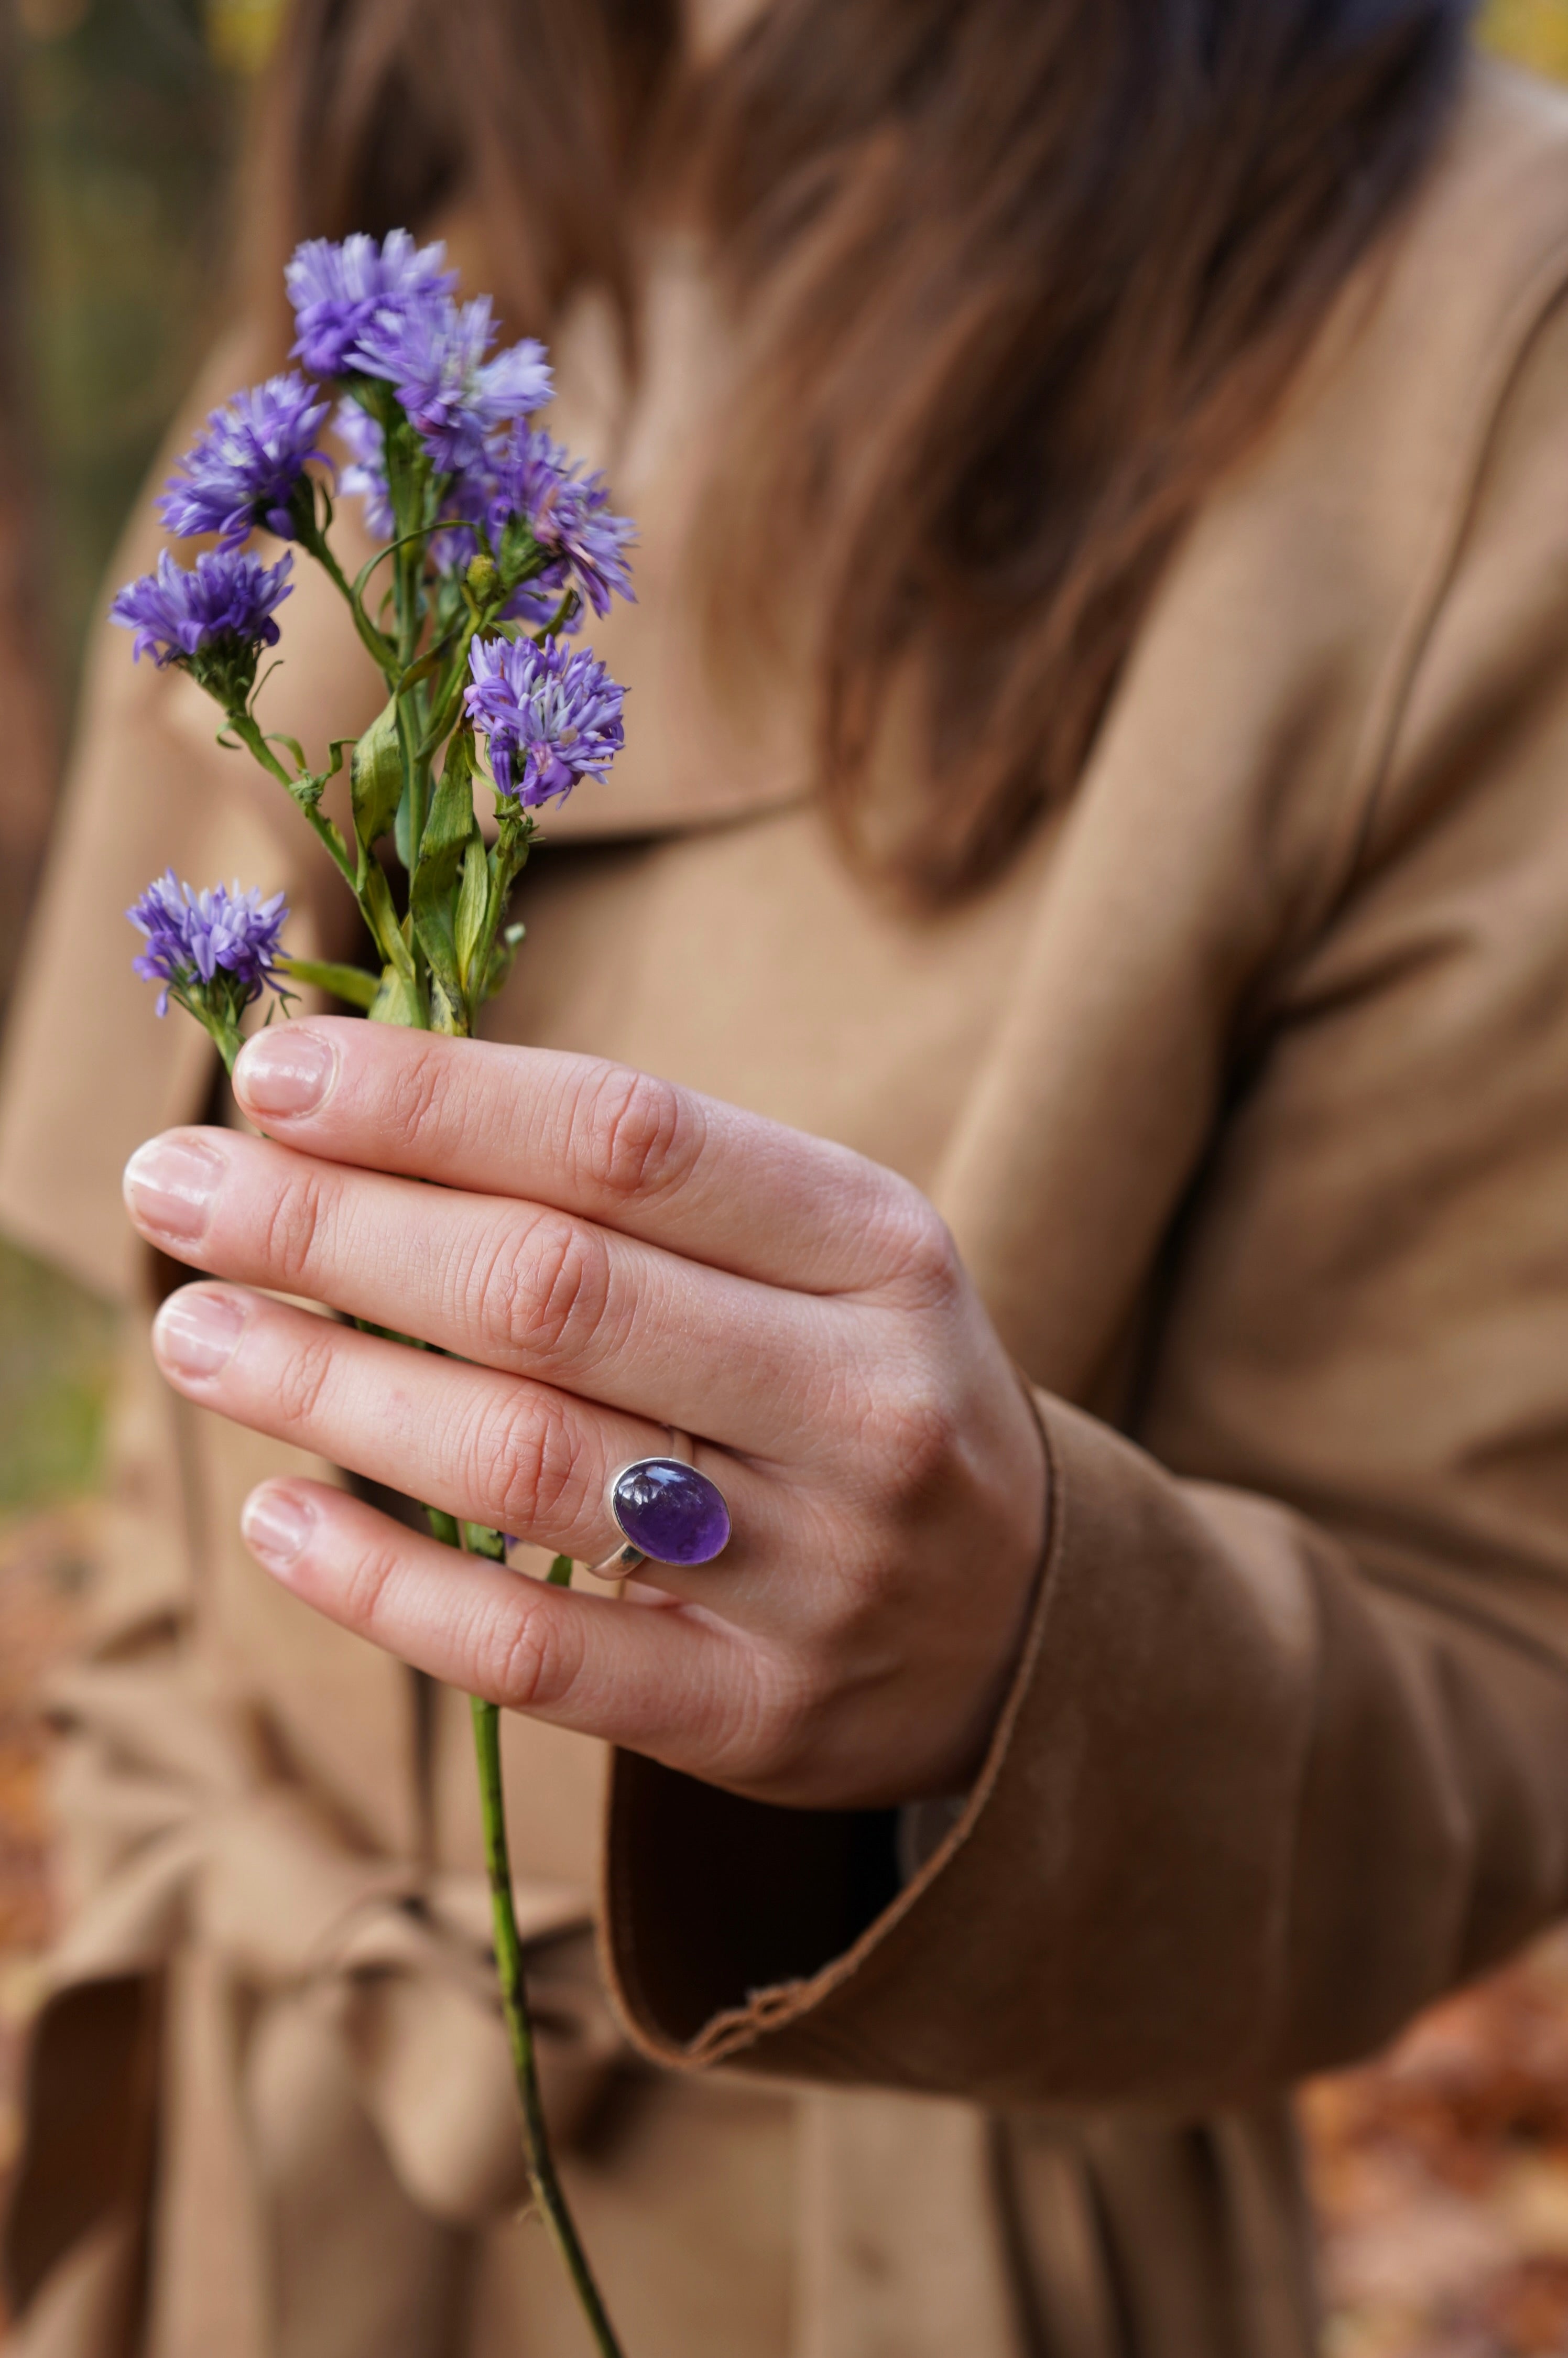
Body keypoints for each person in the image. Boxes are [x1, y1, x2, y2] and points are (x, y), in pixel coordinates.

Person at [3, 1, 1568, 2351]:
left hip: (890, 2266)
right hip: (240, 2193)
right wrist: (154, 1791)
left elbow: (1490, 1692)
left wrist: (1024, 1648)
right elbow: (154, 1370)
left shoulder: (1468, 334)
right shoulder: (423, 155)